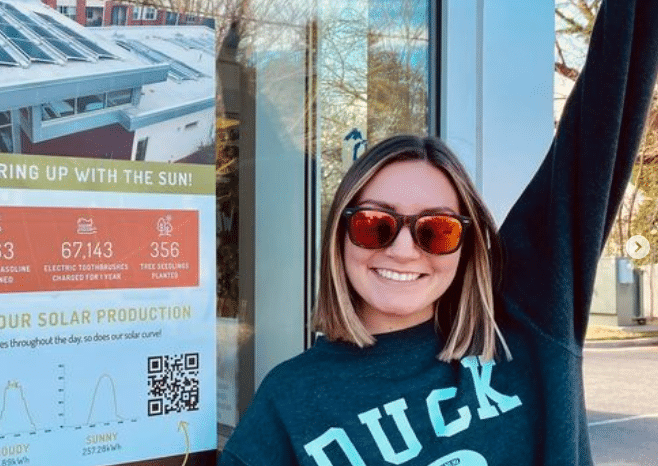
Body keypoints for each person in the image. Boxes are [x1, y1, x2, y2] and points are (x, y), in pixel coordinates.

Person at [219, 1, 658, 465]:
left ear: (467, 247)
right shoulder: (289, 399)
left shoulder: (526, 324)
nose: (404, 250)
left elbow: (612, 90)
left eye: (436, 230)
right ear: (340, 237)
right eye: (375, 225)